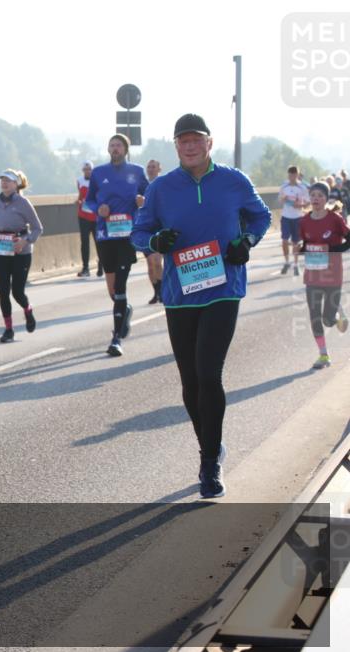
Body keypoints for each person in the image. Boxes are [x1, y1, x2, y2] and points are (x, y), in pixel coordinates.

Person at [132, 113, 271, 499]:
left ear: (209, 144)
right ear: (176, 146)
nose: (190, 147)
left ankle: (209, 462)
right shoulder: (161, 188)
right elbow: (138, 233)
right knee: (190, 382)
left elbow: (261, 216)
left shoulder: (233, 181)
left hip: (224, 287)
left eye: (196, 140)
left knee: (209, 373)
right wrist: (155, 242)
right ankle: (210, 443)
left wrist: (247, 241)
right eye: (183, 141)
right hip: (180, 293)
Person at [85, 134, 149, 356]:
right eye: (112, 145)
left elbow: (149, 195)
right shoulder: (99, 173)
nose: (115, 149)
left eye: (119, 145)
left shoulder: (137, 172)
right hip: (105, 235)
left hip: (127, 236)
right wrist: (98, 208)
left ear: (126, 149)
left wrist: (142, 200)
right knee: (113, 291)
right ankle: (124, 310)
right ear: (108, 149)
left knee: (120, 286)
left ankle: (116, 338)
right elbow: (89, 200)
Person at [294, 182, 349, 369]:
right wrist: (300, 249)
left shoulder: (335, 219)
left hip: (333, 275)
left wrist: (332, 249)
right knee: (314, 316)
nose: (316, 198)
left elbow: (348, 241)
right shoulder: (304, 221)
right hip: (313, 275)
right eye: (313, 195)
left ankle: (338, 314)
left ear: (326, 198)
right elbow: (305, 245)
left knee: (327, 319)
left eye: (320, 195)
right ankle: (323, 354)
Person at [0, 169, 43, 342]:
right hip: (2, 251)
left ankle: (28, 310)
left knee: (17, 292)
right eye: (2, 180)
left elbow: (38, 228)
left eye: (8, 180)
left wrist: (25, 241)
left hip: (21, 252)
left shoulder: (23, 202)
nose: (4, 183)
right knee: (3, 291)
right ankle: (8, 329)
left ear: (16, 184)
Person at [278, 165, 310, 275]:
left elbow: (307, 203)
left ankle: (296, 264)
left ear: (297, 174)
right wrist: (283, 199)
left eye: (294, 174)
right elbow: (280, 201)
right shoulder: (284, 186)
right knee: (284, 240)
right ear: (288, 175)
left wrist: (300, 205)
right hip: (286, 216)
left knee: (296, 242)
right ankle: (287, 262)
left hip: (297, 217)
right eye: (290, 174)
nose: (292, 176)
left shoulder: (302, 188)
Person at [76, 161, 102, 277]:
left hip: (96, 216)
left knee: (99, 242)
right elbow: (80, 196)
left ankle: (101, 265)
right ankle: (85, 268)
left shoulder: (98, 181)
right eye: (85, 169)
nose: (87, 171)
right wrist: (79, 201)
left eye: (89, 169)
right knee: (84, 242)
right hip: (83, 216)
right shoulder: (79, 181)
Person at [144, 159, 164, 304]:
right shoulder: (142, 185)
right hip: (145, 230)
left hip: (159, 228)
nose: (151, 169)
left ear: (159, 169)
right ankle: (156, 292)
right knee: (150, 265)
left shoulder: (164, 184)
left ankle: (163, 292)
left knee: (157, 261)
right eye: (149, 167)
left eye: (153, 167)